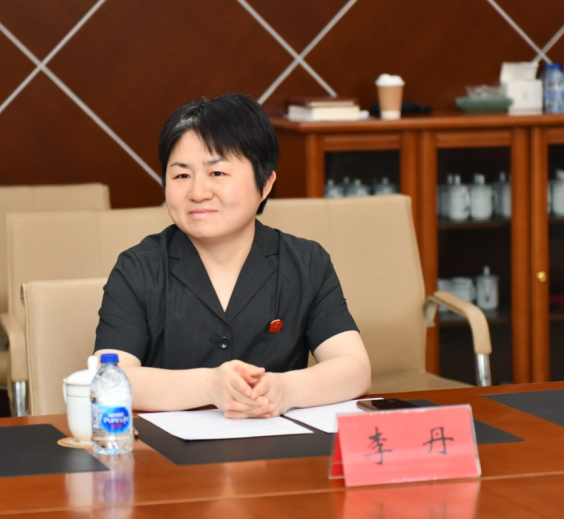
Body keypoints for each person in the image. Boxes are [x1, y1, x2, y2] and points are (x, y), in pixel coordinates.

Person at [94, 93, 370, 419]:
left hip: (277, 443)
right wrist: (208, 386)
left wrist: (285, 389)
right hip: (166, 449)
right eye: (181, 175)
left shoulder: (307, 263)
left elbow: (355, 369)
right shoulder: (138, 269)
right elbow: (108, 380)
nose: (198, 193)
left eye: (217, 173)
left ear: (265, 183)